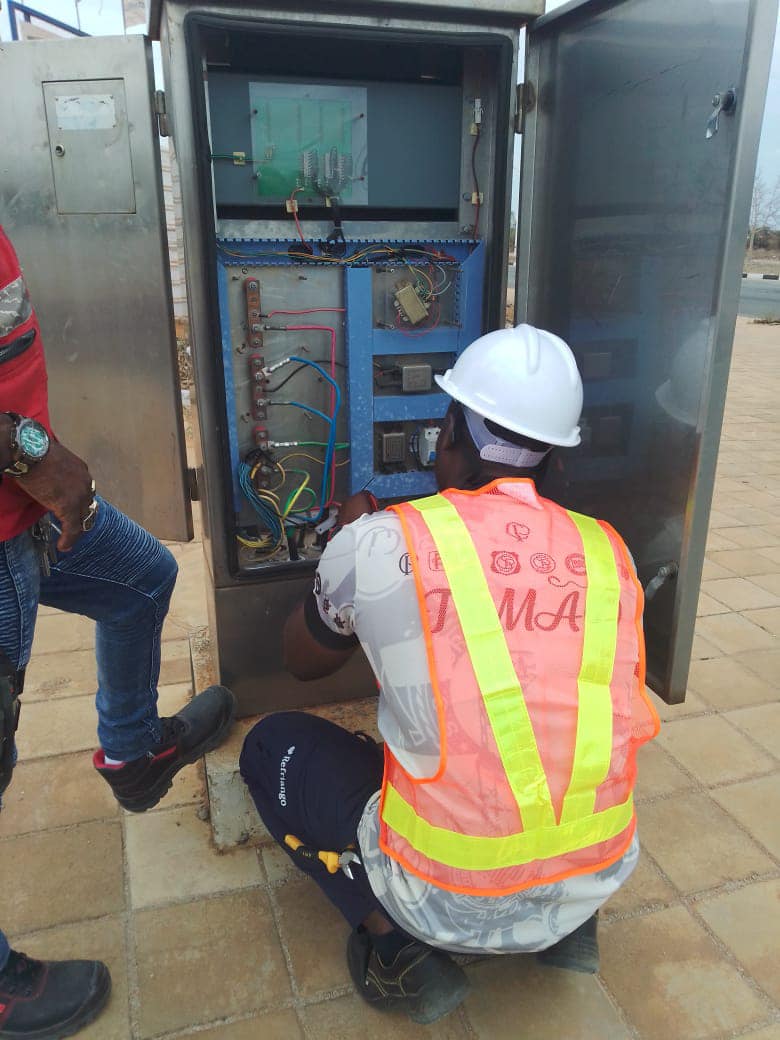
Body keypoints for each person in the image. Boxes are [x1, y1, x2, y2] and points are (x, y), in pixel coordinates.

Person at [240, 324, 660, 1024]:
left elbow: (303, 661)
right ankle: (566, 926)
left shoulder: (380, 543)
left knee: (271, 746)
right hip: (596, 872)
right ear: (556, 458)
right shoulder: (609, 551)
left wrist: (345, 544)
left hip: (441, 897)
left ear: (450, 435)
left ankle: (394, 948)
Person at [0, 226, 235, 1039]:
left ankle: (133, 754)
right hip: (14, 502)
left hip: (24, 509)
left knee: (142, 576)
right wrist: (29, 451)